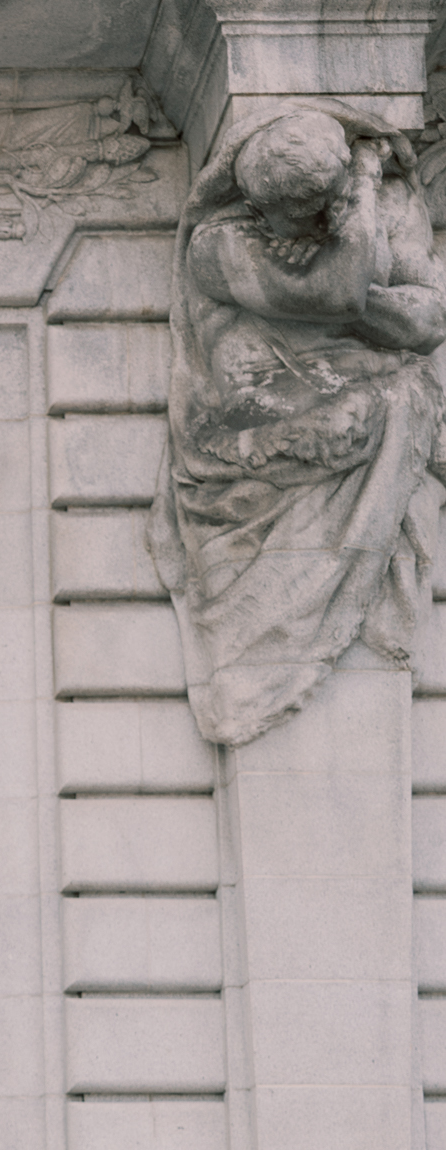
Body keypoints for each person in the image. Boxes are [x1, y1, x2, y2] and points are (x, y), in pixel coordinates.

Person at [150, 105, 446, 744]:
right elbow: (342, 292)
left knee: (396, 396)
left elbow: (427, 322)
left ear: (327, 195)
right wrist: (362, 204)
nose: (285, 224)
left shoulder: (387, 207)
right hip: (260, 443)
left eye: (301, 212)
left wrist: (346, 282)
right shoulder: (218, 244)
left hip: (365, 417)